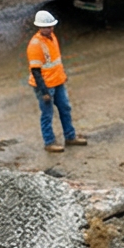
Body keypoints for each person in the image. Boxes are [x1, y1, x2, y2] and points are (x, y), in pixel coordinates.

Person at [27, 10, 82, 154]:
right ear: (40, 27)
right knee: (47, 114)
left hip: (57, 81)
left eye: (52, 26)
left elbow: (55, 61)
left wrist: (62, 76)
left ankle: (70, 136)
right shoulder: (35, 45)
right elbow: (36, 71)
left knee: (65, 108)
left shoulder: (52, 38)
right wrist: (44, 91)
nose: (51, 29)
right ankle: (49, 142)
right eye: (48, 27)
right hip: (45, 86)